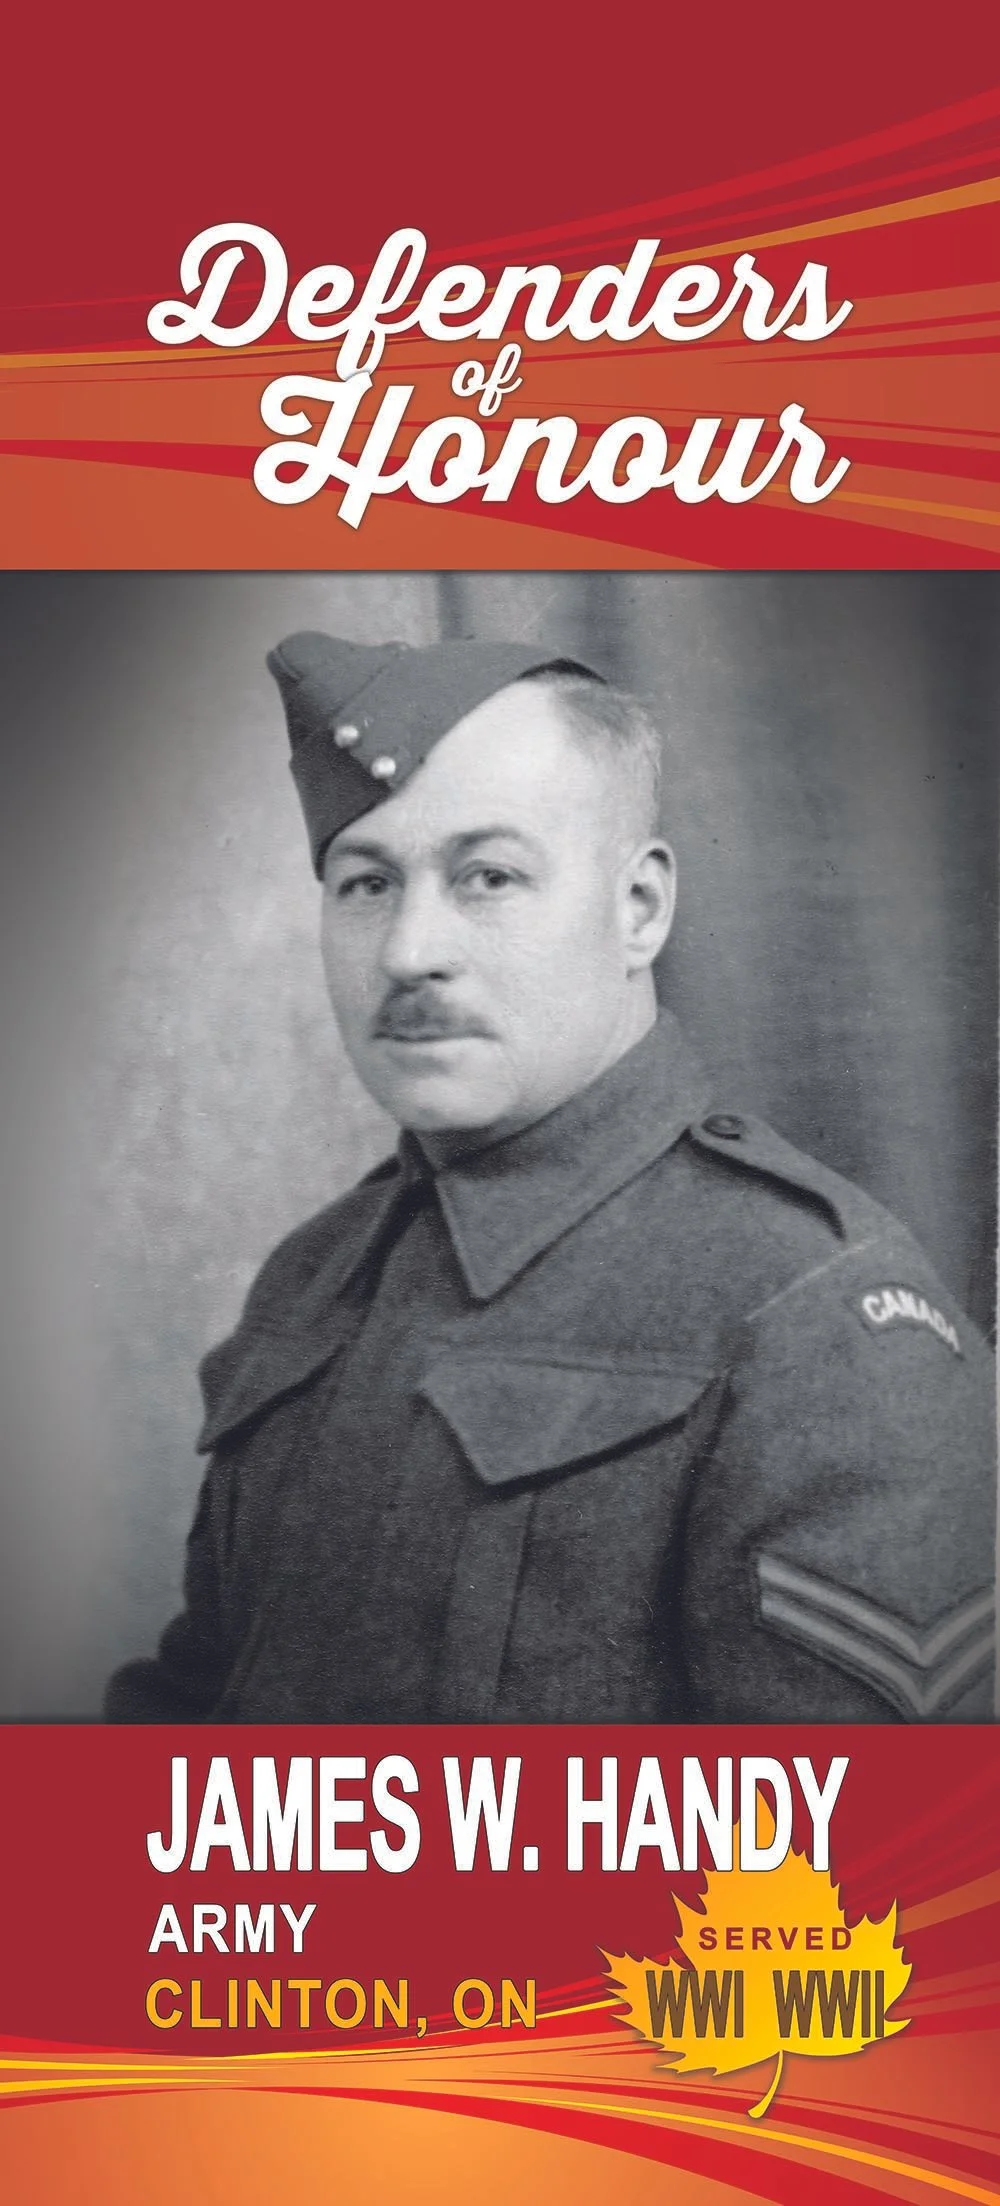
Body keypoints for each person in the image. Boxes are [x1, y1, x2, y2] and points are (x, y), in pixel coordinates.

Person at [105, 631, 997, 1725]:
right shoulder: (313, 1276)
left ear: (640, 909)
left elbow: (869, 1833)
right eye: (366, 882)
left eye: (488, 876)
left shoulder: (811, 1316)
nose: (408, 951)